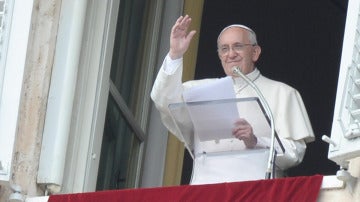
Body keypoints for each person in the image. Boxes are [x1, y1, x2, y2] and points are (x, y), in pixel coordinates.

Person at [151, 15, 315, 184]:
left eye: (238, 46)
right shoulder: (197, 90)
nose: (231, 54)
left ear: (255, 52)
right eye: (224, 48)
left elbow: (295, 154)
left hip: (256, 190)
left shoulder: (283, 93)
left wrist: (256, 141)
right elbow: (163, 99)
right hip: (206, 189)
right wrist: (175, 55)